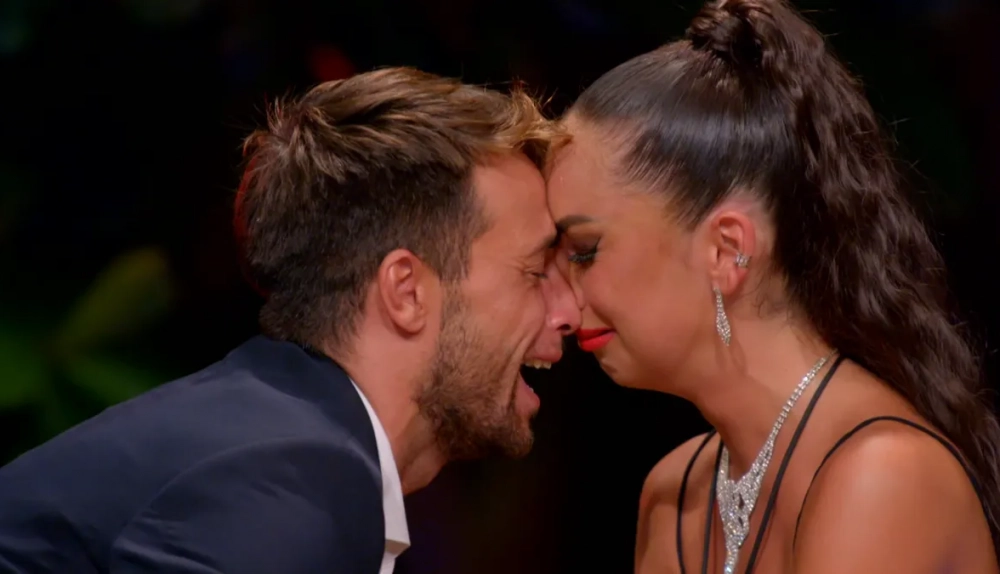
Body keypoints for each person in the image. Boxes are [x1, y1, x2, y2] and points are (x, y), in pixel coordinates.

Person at [0, 67, 579, 574]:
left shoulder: (280, 445)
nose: (568, 313)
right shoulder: (285, 485)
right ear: (406, 292)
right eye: (533, 272)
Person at [545, 1, 1000, 572]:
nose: (559, 305)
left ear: (727, 249)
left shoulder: (881, 475)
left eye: (585, 250)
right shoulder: (670, 495)